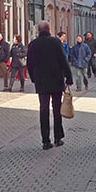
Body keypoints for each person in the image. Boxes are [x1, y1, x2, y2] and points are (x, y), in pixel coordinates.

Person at [27, 20, 73, 150]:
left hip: (41, 81)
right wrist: (68, 77)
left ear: (38, 30)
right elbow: (63, 61)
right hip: (56, 80)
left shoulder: (33, 44)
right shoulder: (55, 42)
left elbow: (29, 63)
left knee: (44, 109)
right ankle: (58, 137)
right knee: (57, 108)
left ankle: (45, 140)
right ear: (49, 30)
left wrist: (33, 78)